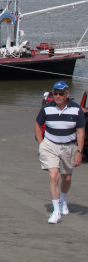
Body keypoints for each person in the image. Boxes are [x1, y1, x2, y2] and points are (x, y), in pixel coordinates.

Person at [34, 81, 85, 224]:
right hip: (50, 145)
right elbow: (38, 124)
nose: (57, 96)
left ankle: (63, 198)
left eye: (60, 94)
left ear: (67, 94)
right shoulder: (46, 108)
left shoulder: (76, 110)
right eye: (55, 93)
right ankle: (56, 211)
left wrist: (79, 151)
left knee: (66, 178)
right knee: (53, 174)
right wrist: (41, 143)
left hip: (69, 146)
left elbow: (80, 131)